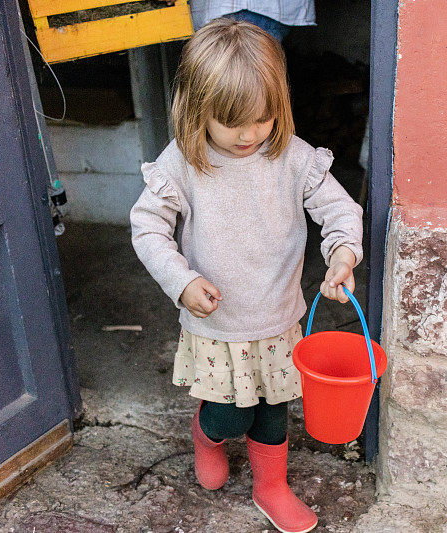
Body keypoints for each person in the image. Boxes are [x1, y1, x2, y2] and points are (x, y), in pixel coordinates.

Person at [129, 18, 363, 533]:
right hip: (217, 325)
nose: (249, 135)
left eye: (262, 119)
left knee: (272, 413)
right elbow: (148, 227)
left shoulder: (292, 157)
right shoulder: (185, 163)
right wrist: (181, 280)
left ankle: (271, 487)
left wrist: (343, 255)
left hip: (277, 319)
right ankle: (207, 434)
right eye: (231, 122)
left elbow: (341, 212)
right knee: (231, 414)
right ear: (197, 109)